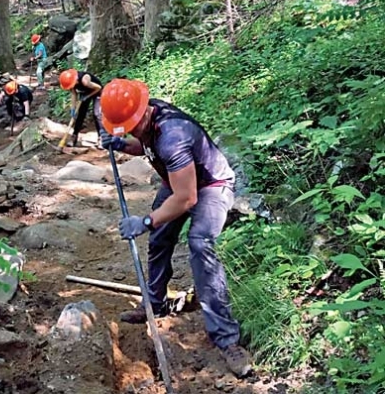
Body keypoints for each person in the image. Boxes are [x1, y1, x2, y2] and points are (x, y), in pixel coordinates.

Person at [99, 78, 252, 378]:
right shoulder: (147, 117)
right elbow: (146, 149)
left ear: (142, 114)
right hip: (178, 181)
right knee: (160, 237)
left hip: (212, 186)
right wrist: (121, 144)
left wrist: (145, 221)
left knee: (200, 243)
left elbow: (187, 198)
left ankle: (227, 340)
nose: (129, 130)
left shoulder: (172, 136)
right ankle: (155, 304)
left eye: (129, 126)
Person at [59, 68, 103, 147]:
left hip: (96, 91)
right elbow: (74, 94)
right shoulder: (72, 83)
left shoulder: (85, 80)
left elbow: (99, 87)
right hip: (85, 93)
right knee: (80, 115)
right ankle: (74, 137)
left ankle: (101, 138)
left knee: (97, 114)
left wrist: (87, 96)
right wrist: (73, 109)